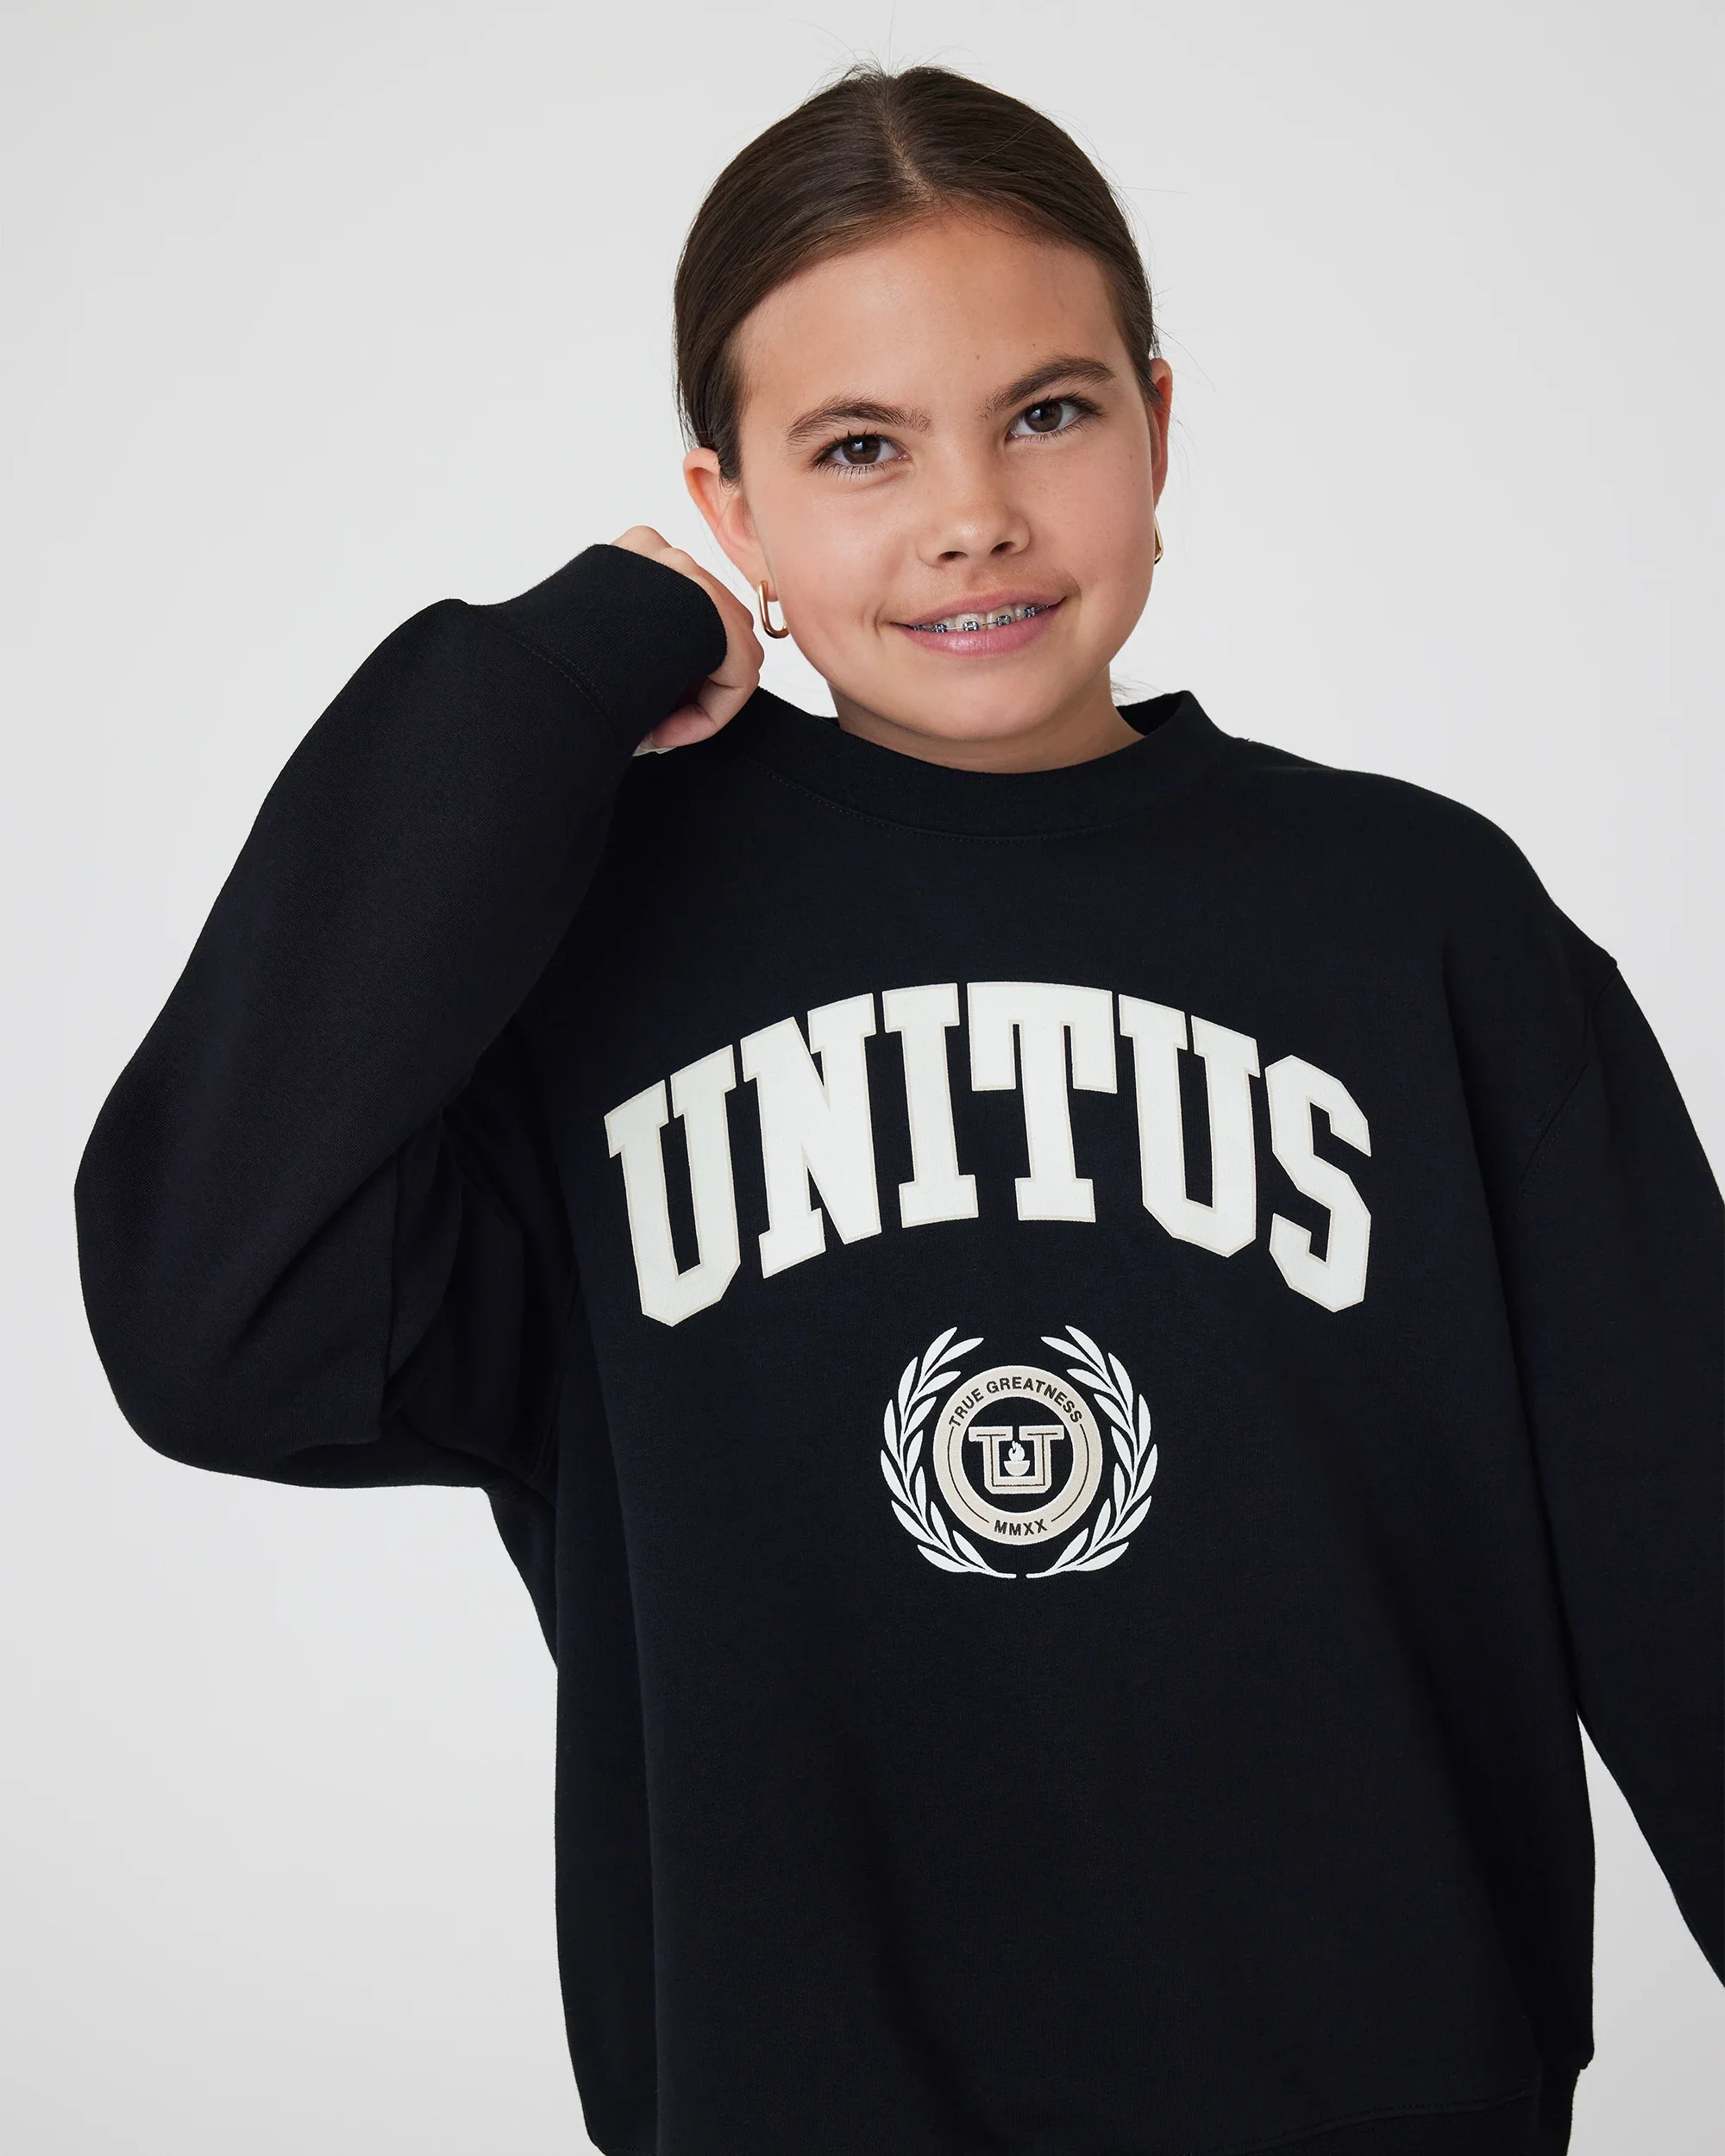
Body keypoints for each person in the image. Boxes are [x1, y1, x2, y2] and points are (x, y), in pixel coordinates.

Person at [74, 60, 1720, 2156]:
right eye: (859, 446)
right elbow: (211, 1321)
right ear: (732, 505)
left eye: (1049, 411)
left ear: (1156, 425)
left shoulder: (1419, 916)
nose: (971, 515)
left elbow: (1684, 1541)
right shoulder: (583, 946)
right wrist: (570, 659)